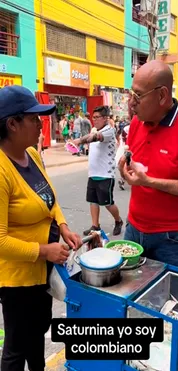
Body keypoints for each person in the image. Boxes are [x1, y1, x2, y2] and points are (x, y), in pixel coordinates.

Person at [0, 85, 82, 370]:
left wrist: (63, 224)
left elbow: (49, 198)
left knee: (36, 335)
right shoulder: (1, 170)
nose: (40, 123)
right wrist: (44, 250)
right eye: (33, 119)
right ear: (12, 124)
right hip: (17, 279)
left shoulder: (32, 155)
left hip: (42, 272)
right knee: (15, 347)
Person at [119, 60, 178, 270]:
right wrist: (126, 171)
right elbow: (136, 167)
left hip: (172, 238)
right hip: (134, 229)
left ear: (162, 95)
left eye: (138, 96)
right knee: (132, 296)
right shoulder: (136, 123)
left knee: (171, 299)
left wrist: (149, 181)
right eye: (131, 94)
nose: (131, 103)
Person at [72, 105, 124, 237]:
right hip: (93, 173)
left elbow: (95, 138)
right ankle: (95, 226)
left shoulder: (109, 131)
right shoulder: (94, 129)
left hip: (106, 174)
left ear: (106, 118)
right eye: (93, 117)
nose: (94, 120)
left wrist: (79, 141)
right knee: (93, 201)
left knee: (107, 203)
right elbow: (92, 136)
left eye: (97, 117)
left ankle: (118, 221)